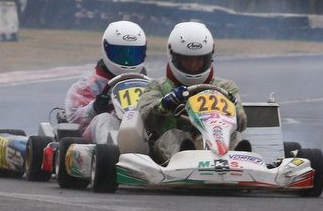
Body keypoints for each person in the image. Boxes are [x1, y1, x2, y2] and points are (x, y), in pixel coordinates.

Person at [138, 21, 247, 164]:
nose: (193, 66)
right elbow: (143, 120)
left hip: (214, 145)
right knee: (173, 135)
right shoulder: (157, 86)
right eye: (187, 60)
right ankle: (186, 160)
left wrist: (233, 110)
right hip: (169, 154)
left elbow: (242, 123)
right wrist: (164, 105)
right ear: (173, 56)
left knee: (235, 136)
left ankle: (240, 163)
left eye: (198, 60)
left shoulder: (226, 87)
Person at [64, 20, 148, 145]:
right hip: (98, 146)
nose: (127, 60)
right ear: (106, 49)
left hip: (139, 136)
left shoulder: (148, 84)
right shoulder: (90, 83)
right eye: (121, 54)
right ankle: (114, 151)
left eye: (134, 54)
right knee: (105, 119)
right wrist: (95, 108)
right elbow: (73, 119)